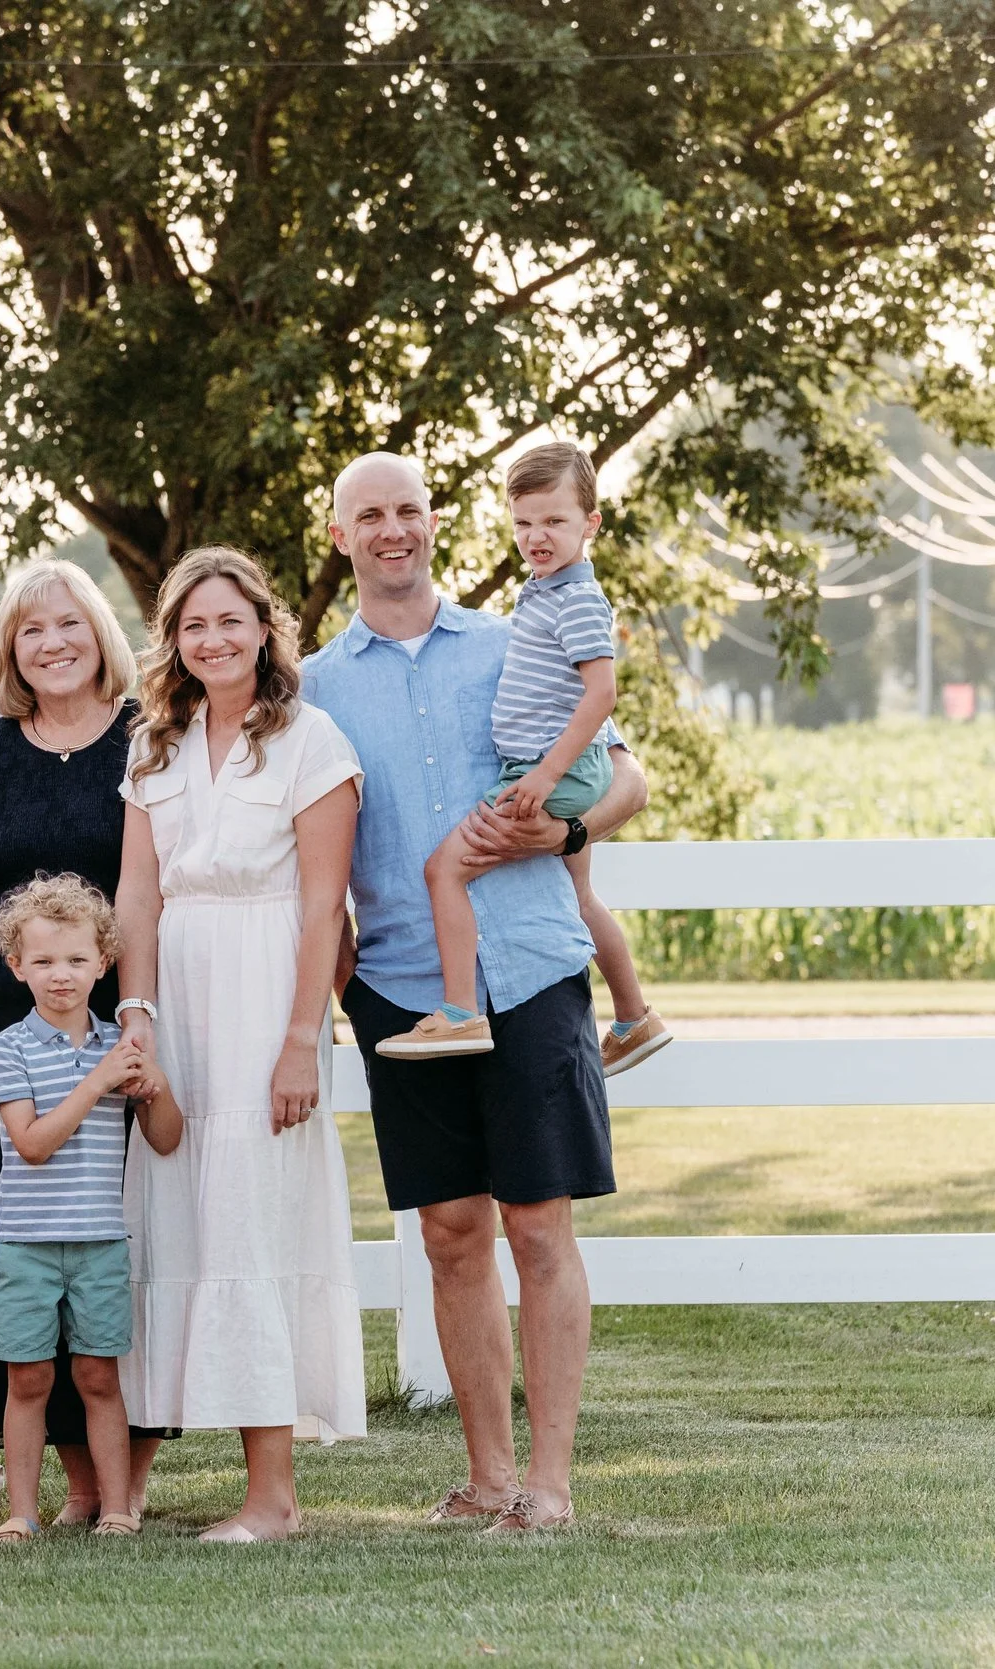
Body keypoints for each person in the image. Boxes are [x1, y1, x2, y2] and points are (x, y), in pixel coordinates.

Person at [304, 451, 651, 1534]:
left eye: (408, 509)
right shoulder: (313, 687)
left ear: (433, 520)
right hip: (403, 987)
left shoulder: (519, 639)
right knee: (451, 1232)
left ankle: (549, 1484)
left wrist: (567, 831)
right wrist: (338, 967)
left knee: (538, 1227)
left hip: (531, 966)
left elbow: (627, 775)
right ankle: (488, 1477)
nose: (392, 529)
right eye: (369, 515)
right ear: (340, 536)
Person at [113, 545, 368, 1543]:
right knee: (179, 1218)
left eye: (231, 620)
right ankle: (143, 1481)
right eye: (193, 625)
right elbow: (138, 894)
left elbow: (324, 904)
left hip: (270, 993)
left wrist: (302, 1038)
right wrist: (136, 1013)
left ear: (265, 628)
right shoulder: (155, 747)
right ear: (172, 641)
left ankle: (274, 1496)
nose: (213, 639)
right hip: (178, 996)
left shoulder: (312, 739)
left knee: (255, 1220)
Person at [0, 558, 174, 1526]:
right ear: (9, 648)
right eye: (31, 628)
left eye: (70, 623)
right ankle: (76, 1483)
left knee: (132, 1242)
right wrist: (34, 959)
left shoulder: (156, 743)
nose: (53, 642)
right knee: (27, 1243)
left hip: (134, 1021)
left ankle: (129, 1479)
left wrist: (115, 987)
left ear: (100, 634)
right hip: (20, 1043)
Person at [378, 442, 669, 1073]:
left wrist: (545, 774)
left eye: (554, 521)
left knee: (443, 871)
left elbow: (602, 694)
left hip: (547, 771)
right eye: (524, 523)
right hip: (551, 766)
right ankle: (634, 1018)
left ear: (591, 524)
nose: (536, 536)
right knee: (580, 896)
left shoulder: (577, 599)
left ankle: (459, 1013)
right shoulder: (543, 590)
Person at [0, 875, 182, 1543]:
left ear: (104, 962)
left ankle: (118, 1507)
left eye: (75, 959)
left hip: (99, 1242)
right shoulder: (9, 1048)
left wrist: (153, 1087)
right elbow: (33, 1145)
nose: (60, 974)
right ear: (17, 966)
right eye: (42, 961)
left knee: (99, 1375)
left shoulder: (120, 1048)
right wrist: (99, 1083)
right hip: (24, 1244)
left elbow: (166, 1138)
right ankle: (21, 1512)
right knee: (28, 1378)